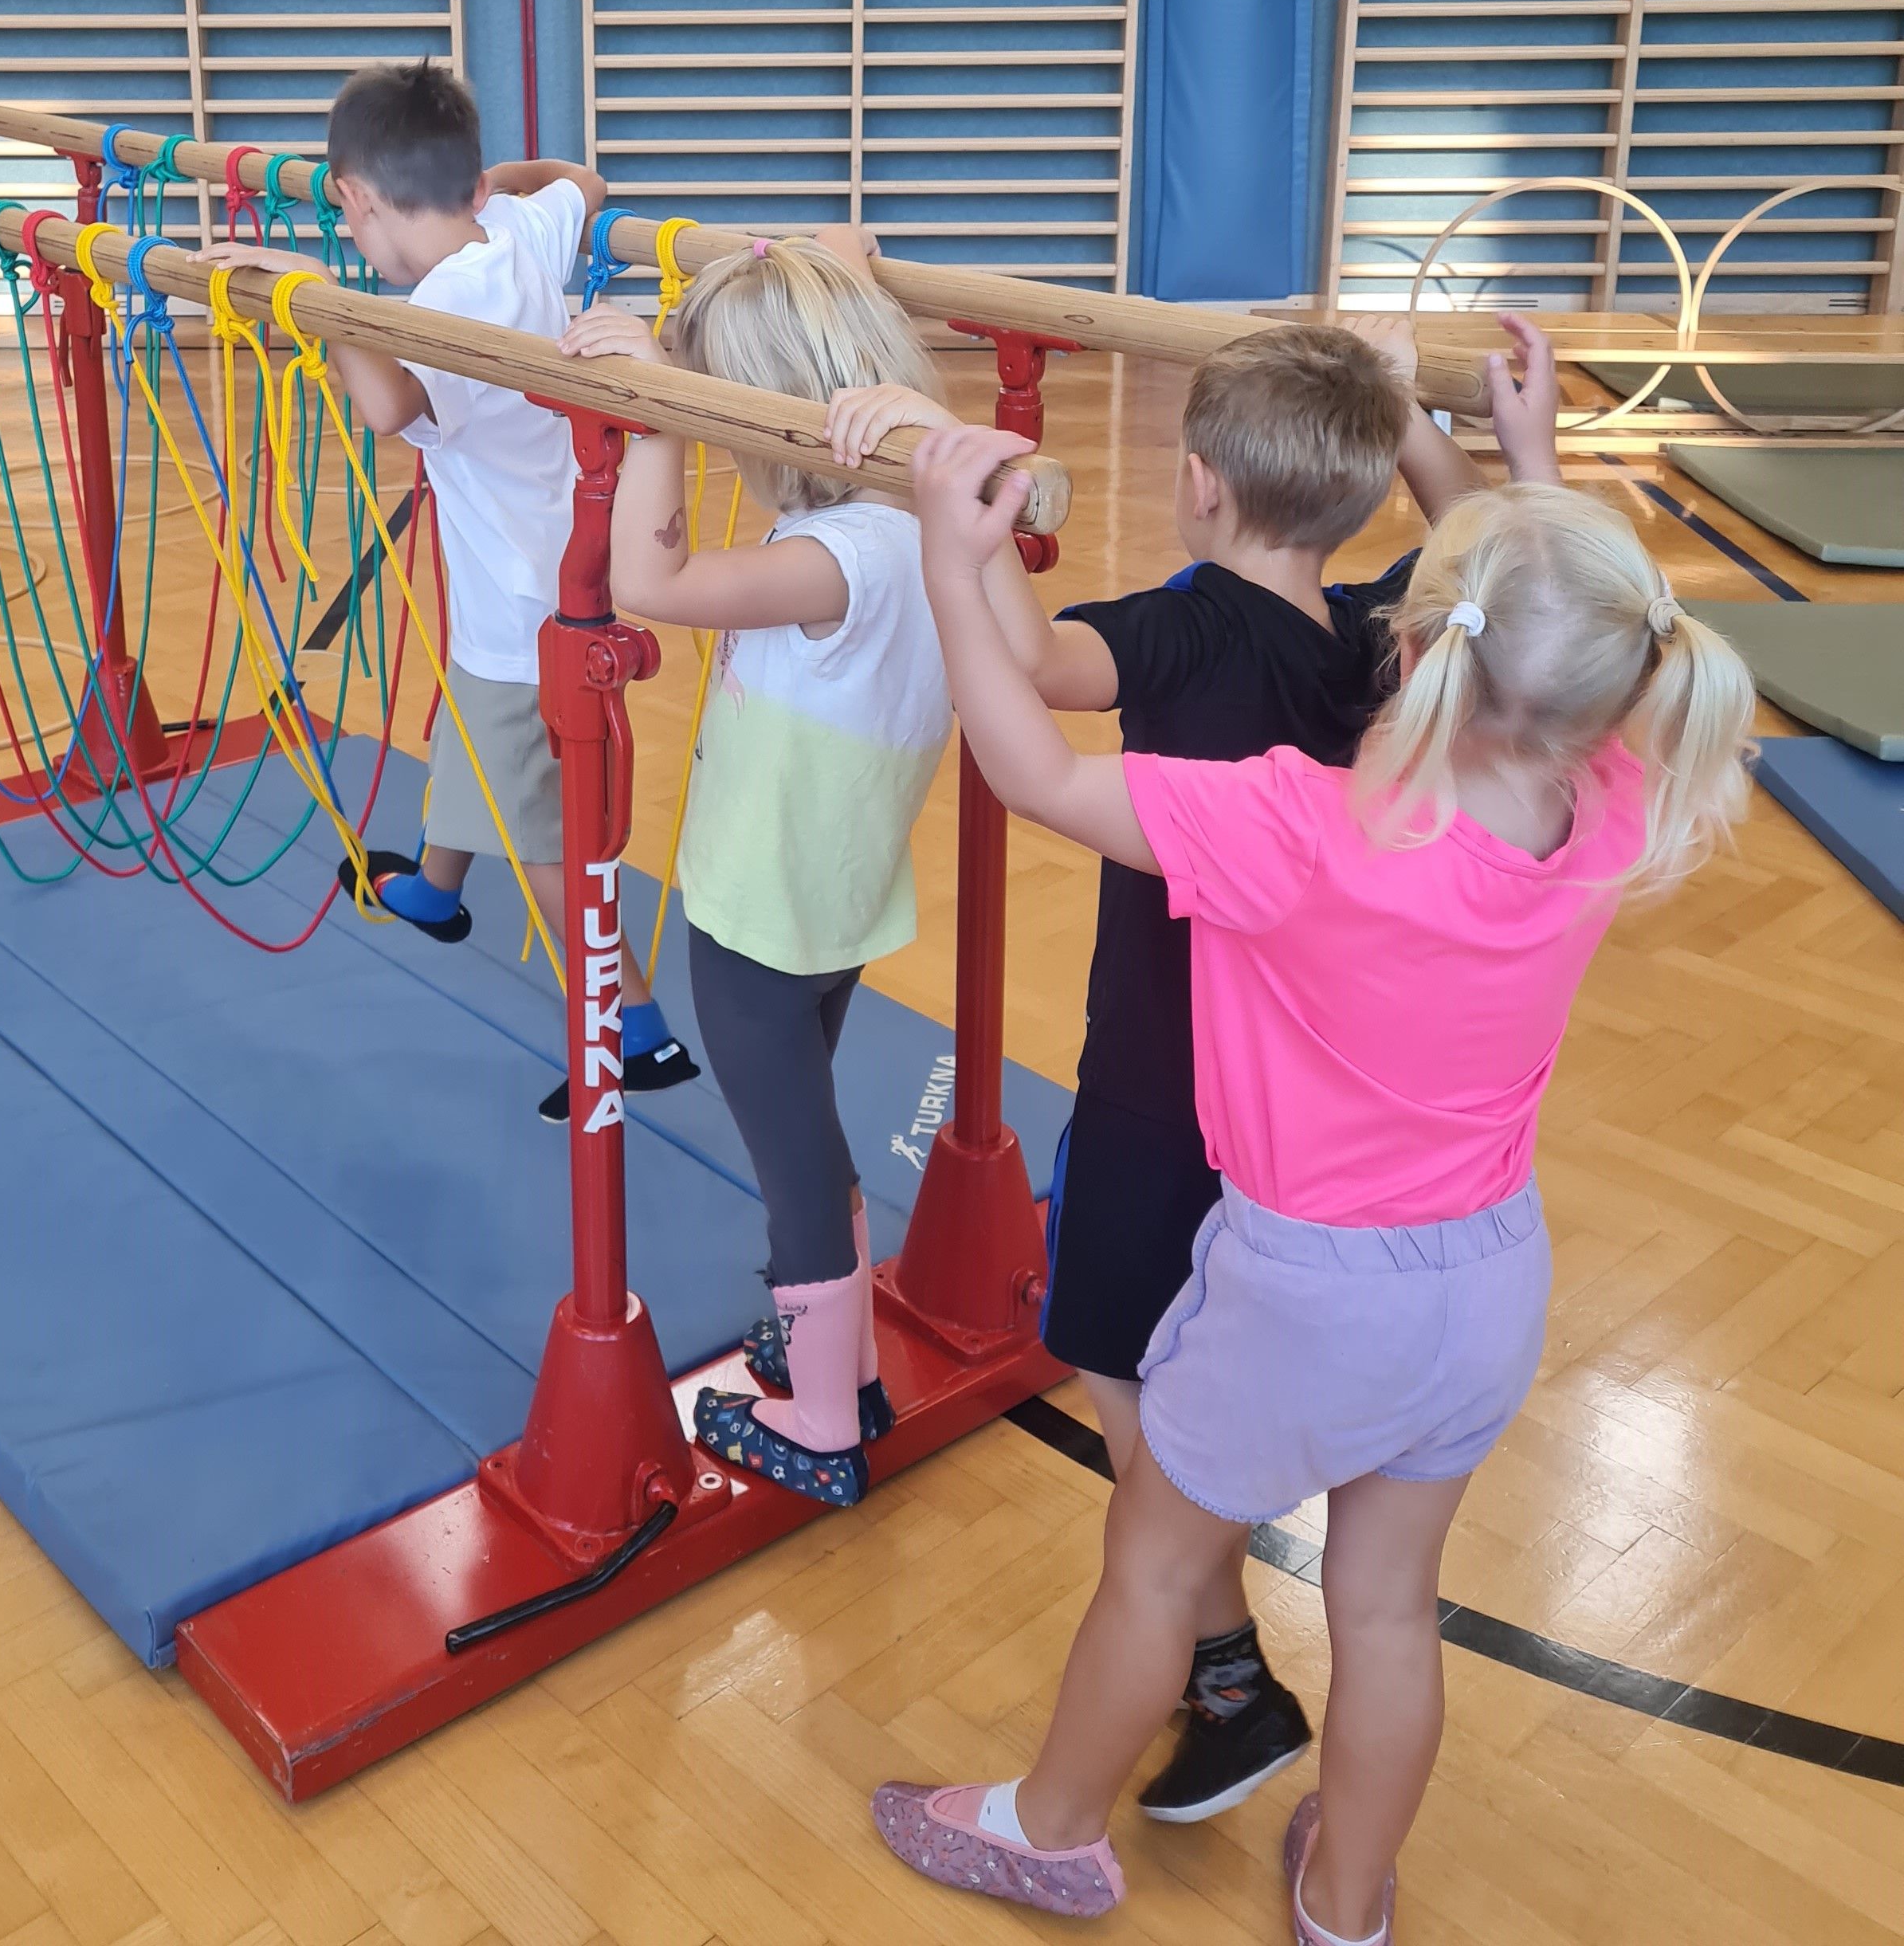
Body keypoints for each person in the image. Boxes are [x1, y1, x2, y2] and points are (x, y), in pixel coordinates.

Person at [874, 420, 1755, 1941]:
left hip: (1305, 1291)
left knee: (1156, 1566)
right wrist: (1520, 462)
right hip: (1484, 1280)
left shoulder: (1304, 823)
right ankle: (1348, 1901)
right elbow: (1561, 643)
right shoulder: (1607, 803)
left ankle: (1053, 1832)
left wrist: (954, 562)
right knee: (1388, 1608)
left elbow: (1028, 770)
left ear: (1412, 646)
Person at [920, 313, 1554, 1822]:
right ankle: (1226, 1675)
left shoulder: (1186, 618)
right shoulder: (1390, 638)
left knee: (1127, 1363)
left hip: (1160, 1073)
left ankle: (1218, 1666)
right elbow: (1501, 568)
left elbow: (1035, 669)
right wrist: (1445, 430)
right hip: (1306, 1114)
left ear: (1196, 483)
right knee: (1177, 1349)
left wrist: (967, 536)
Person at [199, 59, 697, 1121]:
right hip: (545, 576)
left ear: (358, 201)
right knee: (476, 736)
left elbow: (386, 407)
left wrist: (315, 296)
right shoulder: (520, 229)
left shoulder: (443, 302)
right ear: (475, 186)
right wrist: (501, 181)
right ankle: (435, 887)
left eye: (352, 228)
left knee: (552, 838)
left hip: (531, 613)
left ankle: (636, 1034)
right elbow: (588, 182)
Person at [556, 231, 972, 1505]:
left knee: (794, 1168)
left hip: (758, 913)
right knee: (810, 1132)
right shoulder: (922, 524)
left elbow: (647, 577)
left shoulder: (834, 560)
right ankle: (825, 1350)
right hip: (833, 898)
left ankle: (822, 1420)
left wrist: (659, 414)